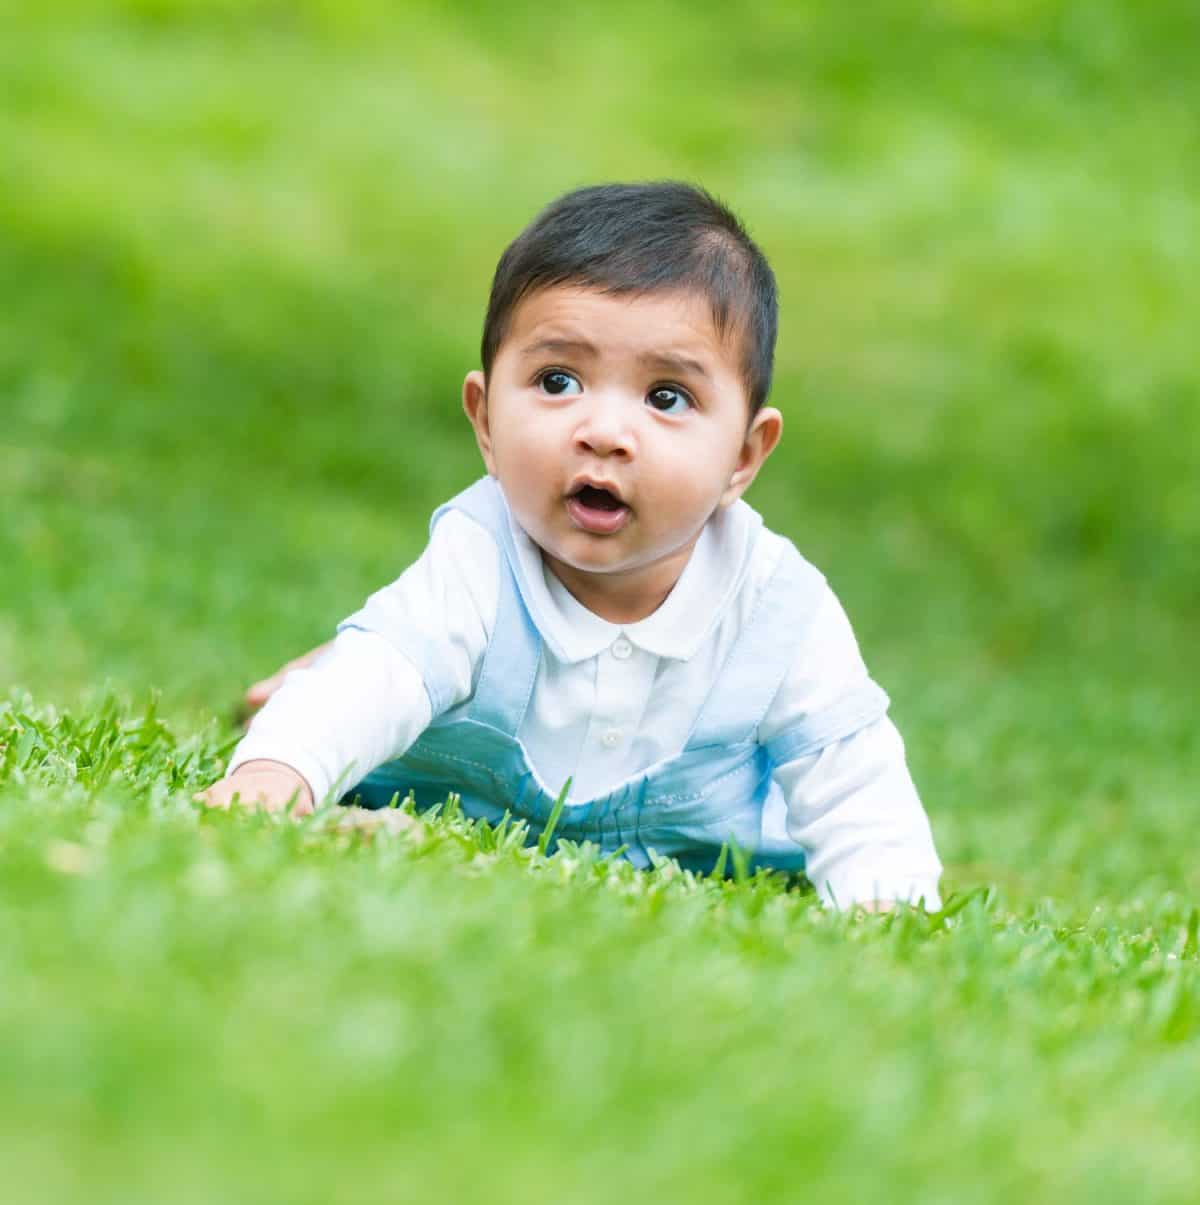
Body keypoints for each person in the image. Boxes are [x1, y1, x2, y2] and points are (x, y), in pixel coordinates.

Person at [203, 182, 943, 911]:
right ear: (486, 419)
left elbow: (851, 774)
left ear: (744, 457)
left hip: (692, 840)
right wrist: (276, 772)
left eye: (666, 397)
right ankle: (310, 679)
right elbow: (383, 674)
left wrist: (889, 911)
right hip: (456, 784)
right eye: (558, 381)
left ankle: (311, 669)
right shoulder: (482, 555)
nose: (604, 431)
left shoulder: (780, 610)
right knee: (379, 673)